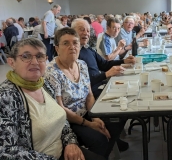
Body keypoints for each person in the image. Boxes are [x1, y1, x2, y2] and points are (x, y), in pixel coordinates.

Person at [0, 38, 104, 160]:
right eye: (26, 56)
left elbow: (61, 117)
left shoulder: (44, 85)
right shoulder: (6, 97)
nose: (34, 62)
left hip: (63, 150)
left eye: (40, 56)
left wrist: (70, 142)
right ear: (12, 62)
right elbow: (6, 151)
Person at [44, 28, 127, 159]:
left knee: (119, 117)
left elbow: (89, 95)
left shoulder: (82, 64)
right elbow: (61, 109)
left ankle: (102, 154)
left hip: (87, 112)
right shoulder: (52, 72)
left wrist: (95, 117)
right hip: (68, 122)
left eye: (75, 43)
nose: (72, 47)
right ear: (57, 48)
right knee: (98, 139)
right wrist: (89, 124)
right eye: (66, 43)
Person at [72, 18, 135, 99]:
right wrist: (106, 74)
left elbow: (104, 64)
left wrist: (124, 61)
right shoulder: (73, 55)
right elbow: (83, 81)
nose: (86, 33)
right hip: (91, 92)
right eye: (82, 30)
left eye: (88, 31)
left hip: (101, 84)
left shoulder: (88, 49)